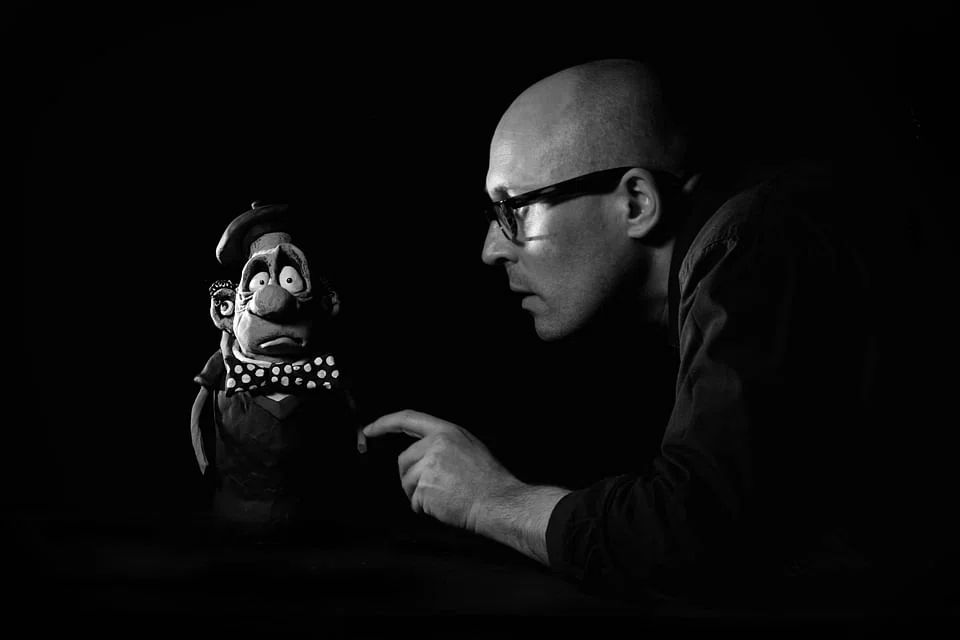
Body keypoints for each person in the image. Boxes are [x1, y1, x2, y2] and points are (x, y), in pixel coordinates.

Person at [362, 59, 945, 611]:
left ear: (637, 202)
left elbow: (691, 534)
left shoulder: (755, 245)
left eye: (513, 208)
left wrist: (491, 500)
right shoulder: (743, 258)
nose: (491, 249)